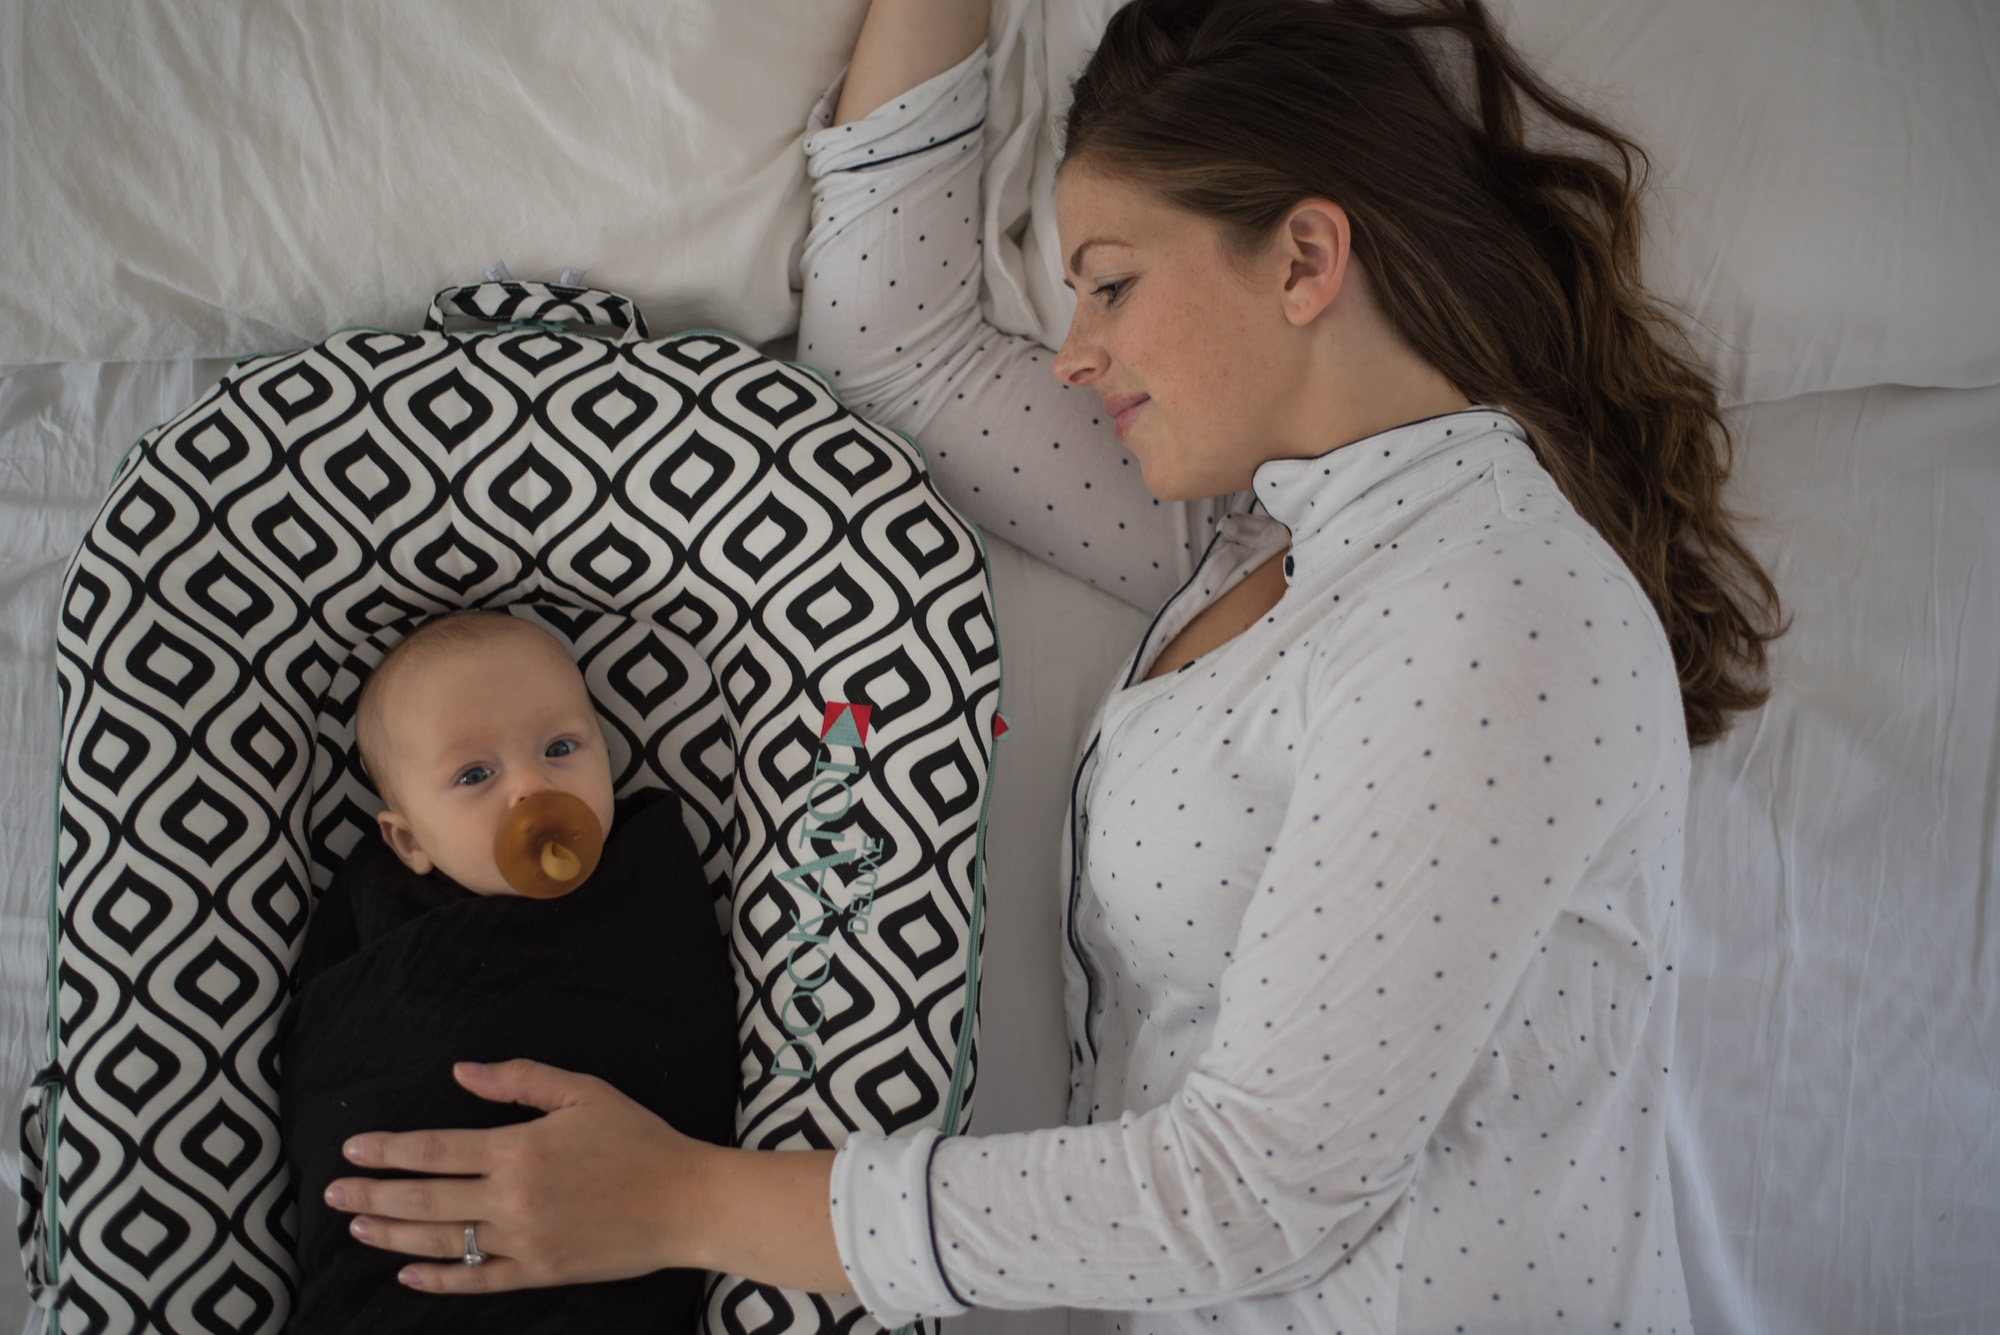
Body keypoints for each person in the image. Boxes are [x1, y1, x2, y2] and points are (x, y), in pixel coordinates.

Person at [321, 1, 1783, 1332]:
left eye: (1112, 284)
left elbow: (1258, 1190)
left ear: (1305, 258)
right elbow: (896, 348)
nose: (1075, 351)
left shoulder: (1495, 611)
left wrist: (681, 1200)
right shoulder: (1244, 552)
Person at [280, 610, 737, 1333]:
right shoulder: (374, 919)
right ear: (409, 841)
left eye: (560, 746)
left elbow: (692, 1042)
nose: (531, 786)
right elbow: (341, 1060)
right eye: (474, 773)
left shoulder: (647, 878)